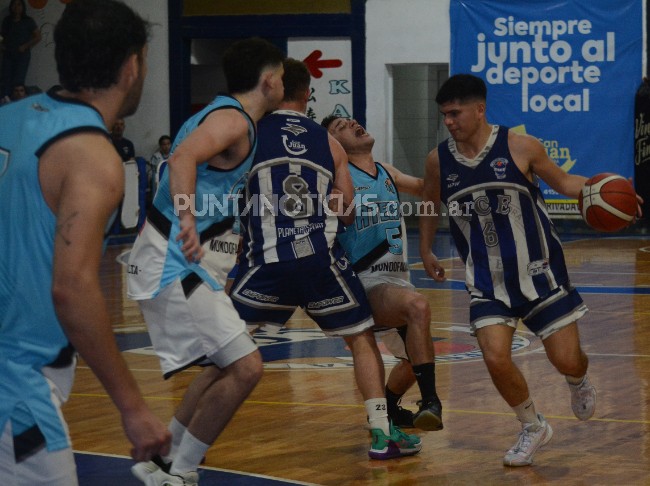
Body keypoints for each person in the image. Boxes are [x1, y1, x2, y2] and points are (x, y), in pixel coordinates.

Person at [0, 1, 171, 484]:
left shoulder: (8, 119)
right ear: (132, 65)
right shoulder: (91, 155)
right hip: (16, 380)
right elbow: (71, 288)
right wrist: (133, 406)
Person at [229, 58, 422, 460]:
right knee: (361, 339)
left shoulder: (246, 131)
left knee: (227, 342)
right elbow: (346, 210)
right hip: (319, 260)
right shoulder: (328, 143)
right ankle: (381, 433)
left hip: (267, 260)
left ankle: (188, 438)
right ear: (306, 95)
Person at [127, 37, 287, 485]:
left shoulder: (227, 115)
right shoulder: (232, 119)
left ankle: (162, 460)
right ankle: (184, 471)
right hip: (172, 261)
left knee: (223, 364)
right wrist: (187, 216)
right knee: (246, 367)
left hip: (180, 261)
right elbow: (182, 158)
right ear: (269, 80)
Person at [419, 73, 600, 467]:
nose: (449, 122)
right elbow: (431, 201)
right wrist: (425, 247)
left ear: (479, 109)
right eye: (444, 115)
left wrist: (605, 187)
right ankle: (533, 426)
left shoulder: (520, 146)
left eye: (455, 113)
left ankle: (578, 379)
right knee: (495, 355)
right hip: (486, 280)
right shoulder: (439, 159)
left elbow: (566, 181)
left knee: (567, 360)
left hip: (540, 273)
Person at [322, 115, 443, 431]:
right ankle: (431, 402)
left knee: (411, 360)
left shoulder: (387, 171)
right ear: (333, 144)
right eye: (340, 127)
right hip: (364, 282)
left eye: (351, 120)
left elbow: (428, 191)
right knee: (417, 307)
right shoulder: (335, 180)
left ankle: (388, 408)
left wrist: (456, 174)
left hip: (396, 280)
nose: (352, 124)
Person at [0, 0, 40, 99]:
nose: (16, 7)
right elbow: (1, 36)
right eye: (14, 4)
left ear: (23, 7)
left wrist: (25, 46)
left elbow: (38, 37)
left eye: (19, 4)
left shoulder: (28, 21)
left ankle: (17, 105)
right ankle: (6, 104)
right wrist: (1, 45)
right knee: (5, 81)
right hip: (8, 55)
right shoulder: (7, 20)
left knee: (18, 83)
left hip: (22, 56)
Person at [148, 134, 172, 205]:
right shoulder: (156, 156)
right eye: (164, 144)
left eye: (168, 144)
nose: (166, 146)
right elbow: (152, 171)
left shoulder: (174, 155)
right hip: (159, 182)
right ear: (160, 146)